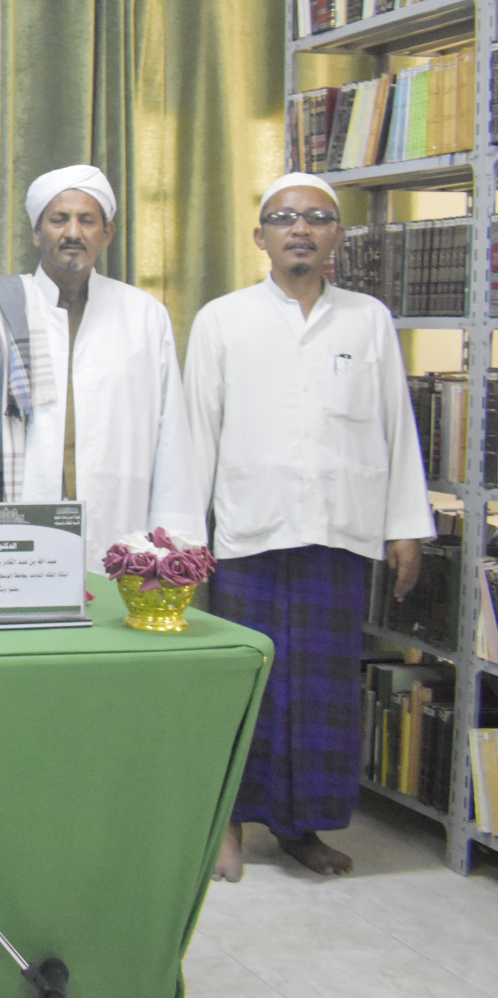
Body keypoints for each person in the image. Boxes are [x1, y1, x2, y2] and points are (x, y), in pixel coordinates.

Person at [185, 172, 432, 881]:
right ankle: (229, 822)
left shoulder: (367, 319)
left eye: (318, 218)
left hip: (338, 532)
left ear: (337, 237)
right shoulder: (223, 319)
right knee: (248, 683)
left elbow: (396, 428)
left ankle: (301, 827)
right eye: (284, 217)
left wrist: (405, 527)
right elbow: (197, 433)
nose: (301, 228)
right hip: (249, 534)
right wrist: (185, 541)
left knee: (323, 690)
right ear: (259, 236)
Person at [0, 165, 200, 568]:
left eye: (86, 220)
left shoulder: (144, 316)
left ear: (108, 233)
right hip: (18, 527)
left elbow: (171, 437)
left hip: (120, 522)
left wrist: (171, 545)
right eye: (58, 220)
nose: (72, 232)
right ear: (37, 233)